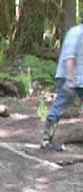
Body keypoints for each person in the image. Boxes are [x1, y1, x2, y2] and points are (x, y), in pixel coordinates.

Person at [41, 22, 83, 150]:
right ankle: (46, 140)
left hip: (81, 79)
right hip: (67, 78)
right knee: (60, 106)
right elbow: (69, 57)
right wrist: (70, 80)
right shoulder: (75, 33)